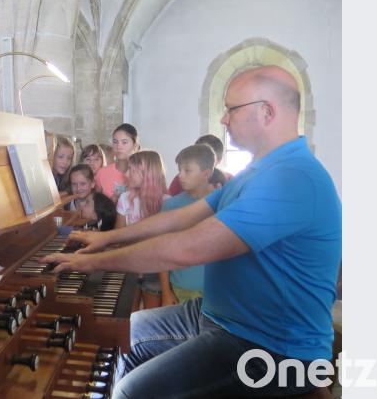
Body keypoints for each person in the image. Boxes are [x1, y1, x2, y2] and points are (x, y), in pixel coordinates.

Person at [41, 65, 341, 397]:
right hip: (220, 316)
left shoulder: (293, 178)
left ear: (266, 112)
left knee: (129, 392)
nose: (224, 119)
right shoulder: (258, 170)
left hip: (270, 346)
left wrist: (93, 262)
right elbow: (178, 218)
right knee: (120, 332)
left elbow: (186, 248)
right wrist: (106, 238)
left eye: (231, 109)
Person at [158, 144, 217, 306]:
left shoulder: (223, 203)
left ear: (206, 173)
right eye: (179, 170)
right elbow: (162, 252)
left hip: (218, 290)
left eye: (187, 170)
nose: (180, 175)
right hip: (182, 288)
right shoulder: (171, 206)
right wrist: (166, 291)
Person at [115, 150, 170, 309]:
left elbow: (166, 246)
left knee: (150, 317)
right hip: (129, 266)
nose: (127, 173)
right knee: (127, 314)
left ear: (147, 173)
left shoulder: (167, 202)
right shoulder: (125, 198)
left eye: (132, 169)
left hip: (155, 270)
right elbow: (119, 236)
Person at [168, 134, 232, 195]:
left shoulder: (230, 181)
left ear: (219, 160)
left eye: (207, 158)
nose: (201, 162)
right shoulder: (181, 179)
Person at [95, 123, 140, 201]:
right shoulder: (102, 173)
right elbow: (97, 204)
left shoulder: (143, 173)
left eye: (124, 142)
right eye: (115, 142)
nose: (119, 146)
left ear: (135, 145)